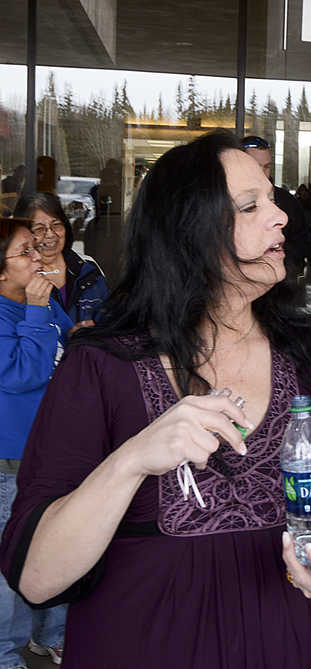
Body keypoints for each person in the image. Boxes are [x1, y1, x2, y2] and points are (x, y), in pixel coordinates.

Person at [0, 131, 311, 668]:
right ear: (188, 233)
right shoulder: (100, 366)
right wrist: (133, 458)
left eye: (272, 199)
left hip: (286, 644)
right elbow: (37, 578)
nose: (282, 218)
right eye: (251, 205)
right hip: (137, 646)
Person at [0, 217, 73, 668]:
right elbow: (22, 373)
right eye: (25, 251)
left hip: (53, 452)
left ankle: (52, 636)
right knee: (9, 565)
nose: (39, 255)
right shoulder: (22, 307)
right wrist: (34, 310)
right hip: (10, 464)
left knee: (56, 549)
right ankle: (6, 654)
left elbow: (68, 340)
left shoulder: (39, 299)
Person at [13, 193, 108, 327]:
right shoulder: (16, 278)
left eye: (56, 225)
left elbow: (107, 321)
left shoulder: (87, 267)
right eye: (39, 229)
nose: (50, 234)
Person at [241, 136, 309, 286]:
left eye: (267, 166)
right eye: (256, 166)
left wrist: (282, 267)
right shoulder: (222, 201)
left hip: (277, 286)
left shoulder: (286, 201)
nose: (263, 173)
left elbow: (301, 241)